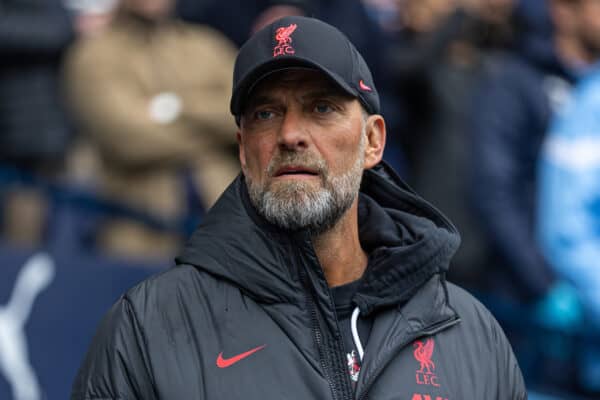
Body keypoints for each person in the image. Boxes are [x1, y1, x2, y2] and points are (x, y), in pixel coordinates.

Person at [71, 16, 526, 400]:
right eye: (266, 114)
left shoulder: (468, 333)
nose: (290, 134)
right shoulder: (149, 325)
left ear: (373, 141)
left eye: (321, 107)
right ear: (243, 148)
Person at [64, 0, 239, 259]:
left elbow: (245, 113)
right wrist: (214, 135)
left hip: (224, 222)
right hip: (139, 231)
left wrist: (177, 107)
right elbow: (127, 140)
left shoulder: (207, 45)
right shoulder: (93, 54)